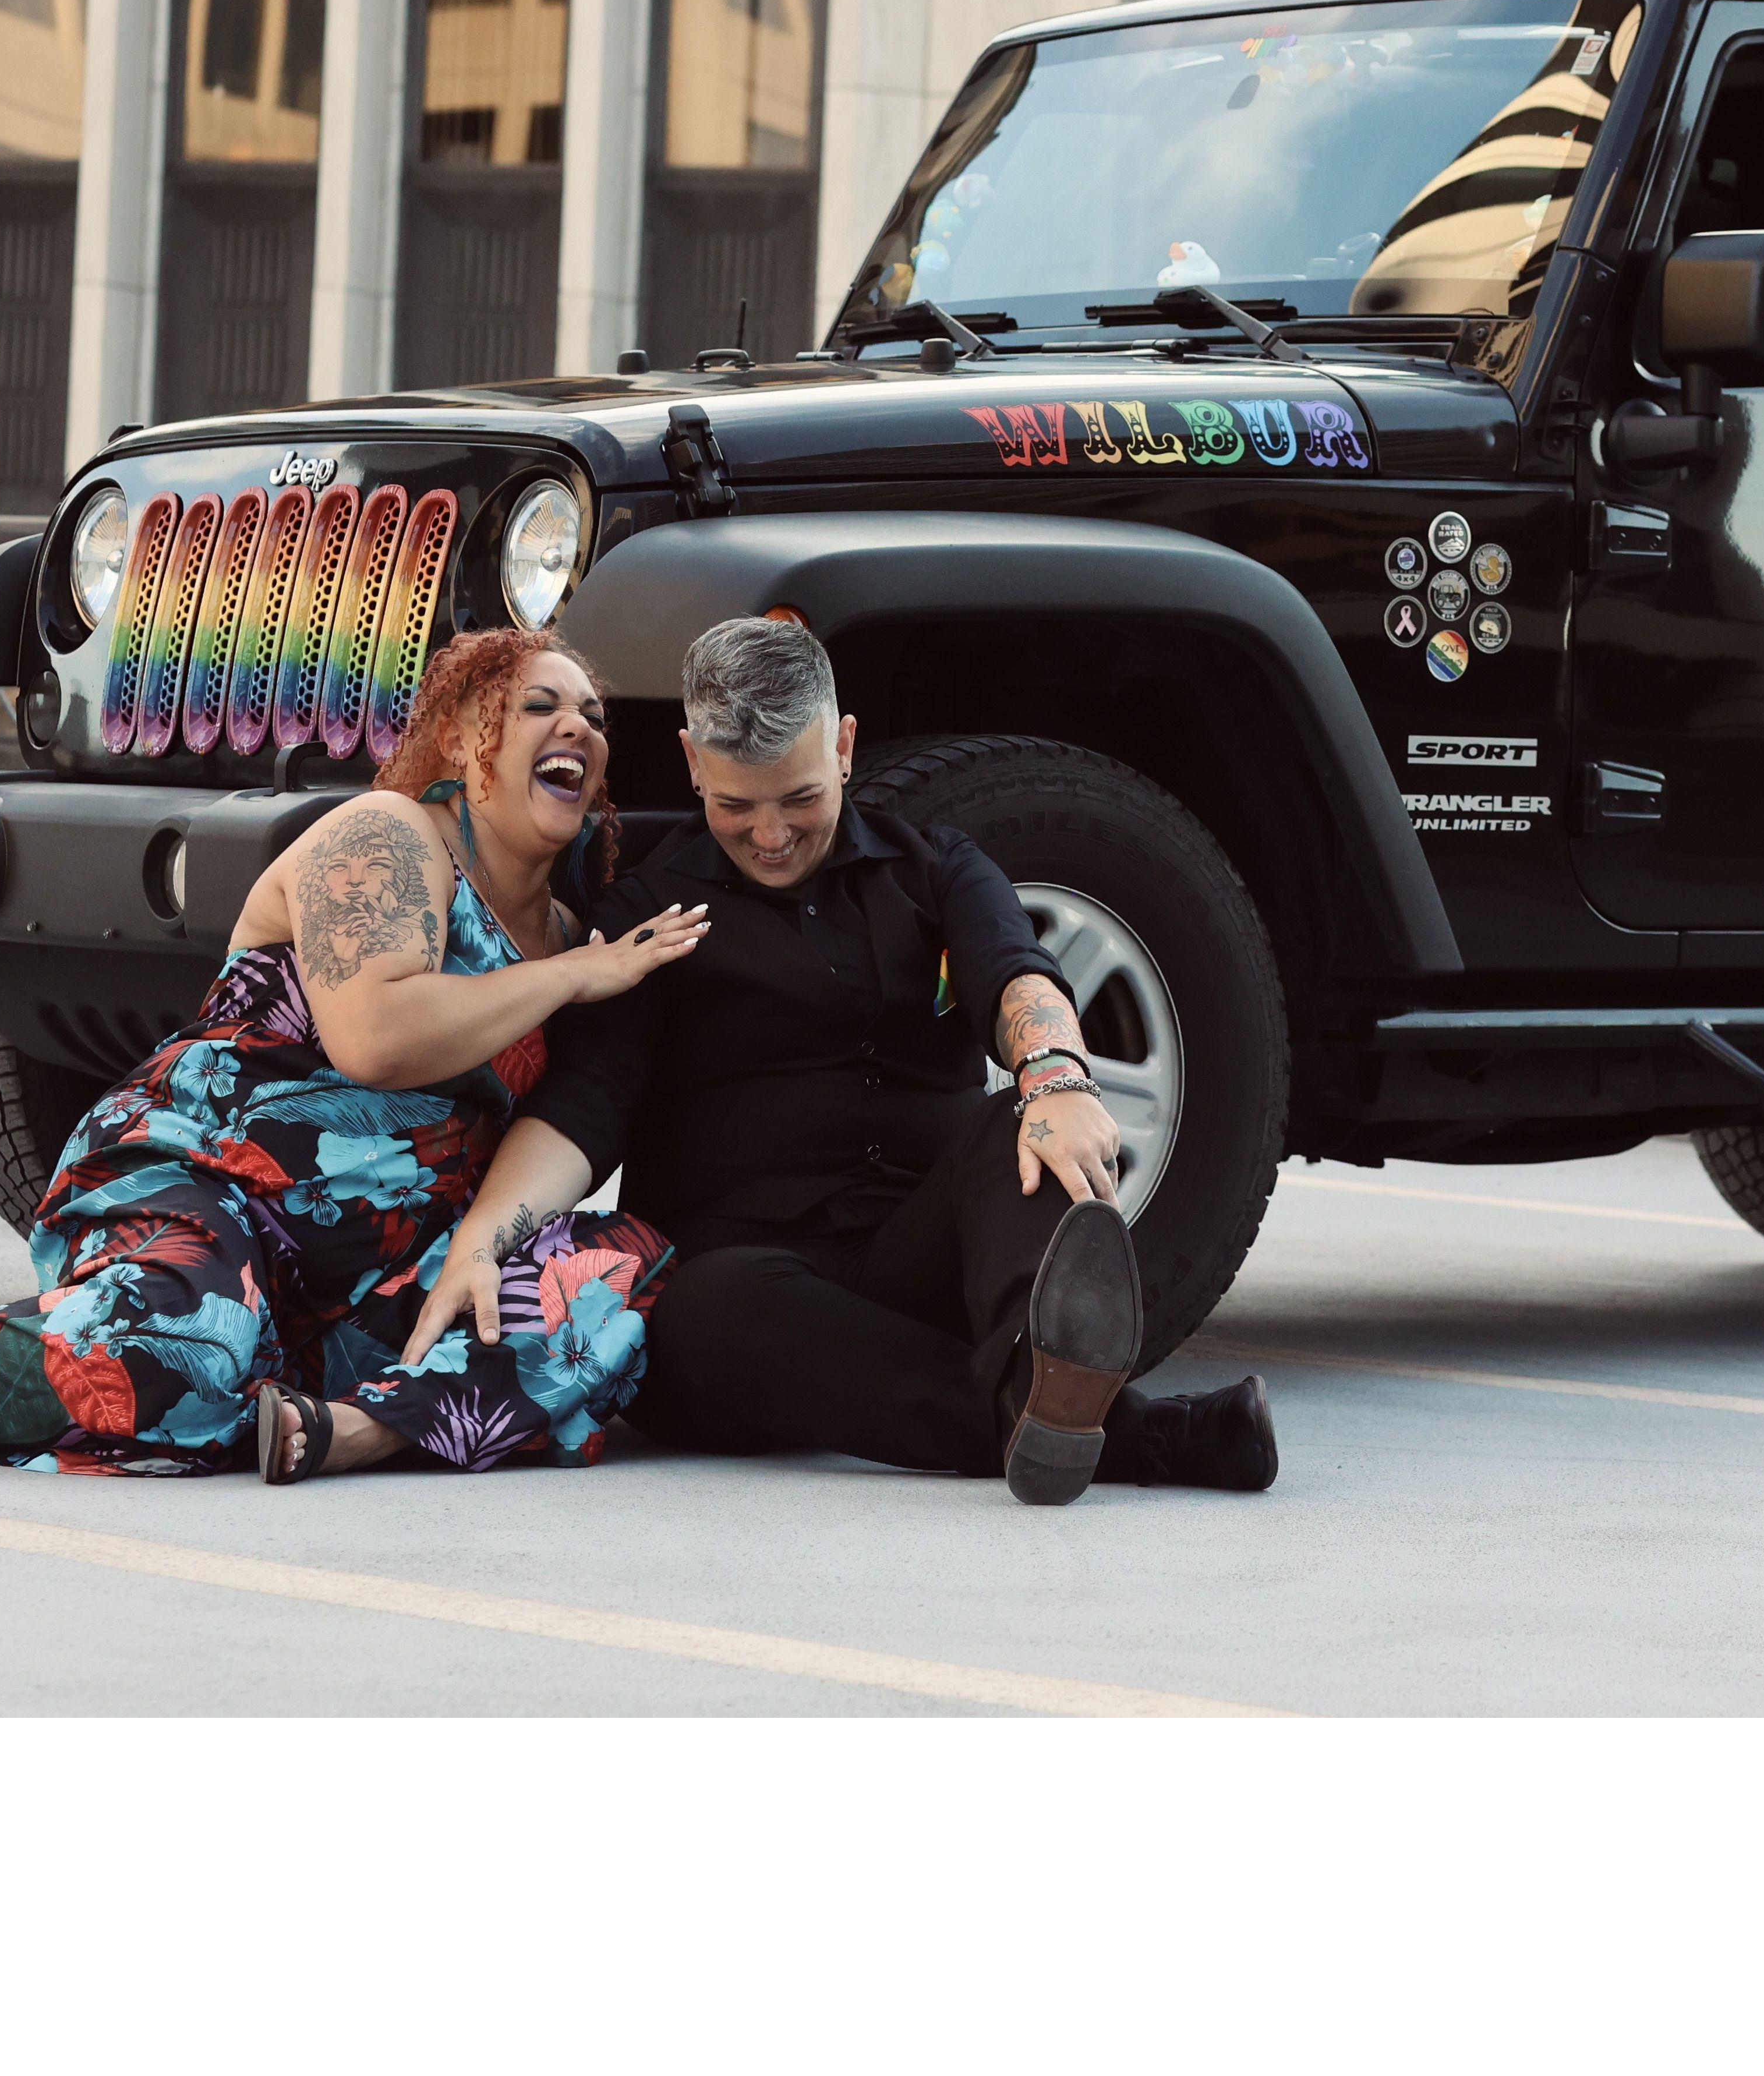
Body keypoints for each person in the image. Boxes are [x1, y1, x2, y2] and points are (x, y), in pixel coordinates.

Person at [0, 629, 705, 1483]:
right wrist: (571, 979)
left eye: (593, 718)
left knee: (614, 1270)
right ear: (459, 736)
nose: (578, 728)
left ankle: (352, 1426)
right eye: (539, 707)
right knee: (201, 1337)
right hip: (206, 1192)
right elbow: (376, 1037)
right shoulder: (388, 838)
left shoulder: (573, 934)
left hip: (377, 1277)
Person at [430, 615, 1279, 1505]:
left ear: (842, 748)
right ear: (692, 763)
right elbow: (583, 1107)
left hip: (926, 1268)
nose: (769, 835)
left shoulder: (936, 867)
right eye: (736, 806)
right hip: (749, 1315)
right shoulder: (646, 912)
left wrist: (1058, 1078)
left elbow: (1015, 975)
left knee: (1018, 1123)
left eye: (798, 800)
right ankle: (1122, 1429)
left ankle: (1049, 1384)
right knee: (702, 1302)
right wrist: (480, 1246)